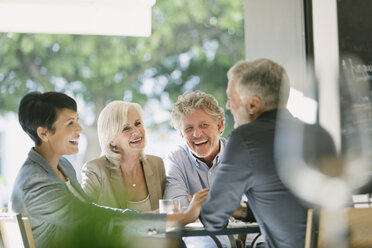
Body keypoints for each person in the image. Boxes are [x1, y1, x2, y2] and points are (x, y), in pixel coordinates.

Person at [10, 91, 208, 248]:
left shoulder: (62, 166)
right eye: (70, 123)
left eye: (77, 121)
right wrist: (179, 218)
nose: (79, 129)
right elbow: (93, 219)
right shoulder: (35, 181)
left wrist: (158, 216)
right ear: (43, 133)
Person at [199, 58, 336, 248]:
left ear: (253, 105)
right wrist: (244, 212)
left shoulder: (245, 138)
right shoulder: (320, 134)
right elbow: (295, 209)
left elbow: (213, 219)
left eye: (231, 99)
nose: (228, 106)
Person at [164, 91, 253, 247]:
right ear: (180, 134)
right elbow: (176, 208)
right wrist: (228, 205)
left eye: (204, 125)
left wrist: (196, 202)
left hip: (244, 237)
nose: (197, 134)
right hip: (199, 240)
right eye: (189, 128)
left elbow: (256, 204)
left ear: (219, 126)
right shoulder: (175, 160)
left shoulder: (242, 154)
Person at [81, 101, 165, 211]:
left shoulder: (157, 164)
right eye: (126, 128)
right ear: (111, 140)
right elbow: (84, 215)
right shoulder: (94, 170)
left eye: (138, 123)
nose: (136, 131)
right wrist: (151, 216)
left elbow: (169, 210)